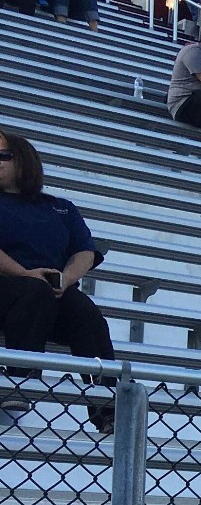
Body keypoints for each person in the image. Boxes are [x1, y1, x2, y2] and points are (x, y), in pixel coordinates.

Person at [0, 130, 117, 430]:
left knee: (86, 314)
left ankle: (106, 404)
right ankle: (20, 380)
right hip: (7, 287)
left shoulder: (60, 207)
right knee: (34, 290)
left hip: (48, 293)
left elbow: (84, 252)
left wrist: (65, 280)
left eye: (3, 156)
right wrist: (24, 274)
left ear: (24, 161)